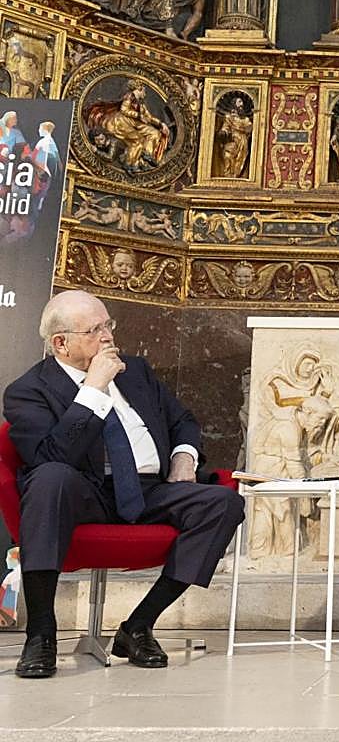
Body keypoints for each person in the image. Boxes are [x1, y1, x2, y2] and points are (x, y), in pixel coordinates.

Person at [2, 290, 245, 678]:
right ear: (60, 343)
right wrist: (93, 390)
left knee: (223, 504)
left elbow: (182, 420)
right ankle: (41, 634)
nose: (108, 337)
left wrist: (183, 457)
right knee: (49, 478)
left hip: (151, 488)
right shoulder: (28, 390)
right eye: (94, 330)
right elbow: (52, 456)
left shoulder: (136, 371)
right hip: (86, 491)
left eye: (108, 325)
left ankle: (138, 626)